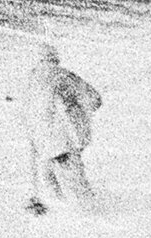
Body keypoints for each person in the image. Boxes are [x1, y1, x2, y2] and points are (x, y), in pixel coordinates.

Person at [12, 43, 103, 214]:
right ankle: (91, 216)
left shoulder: (28, 80)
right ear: (55, 58)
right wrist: (80, 111)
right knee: (77, 186)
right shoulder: (64, 76)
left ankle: (60, 216)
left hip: (40, 142)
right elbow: (95, 99)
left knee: (51, 187)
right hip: (63, 141)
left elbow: (24, 112)